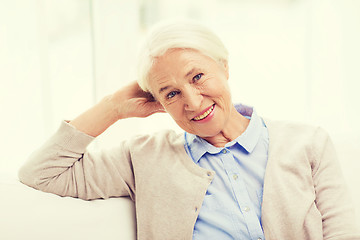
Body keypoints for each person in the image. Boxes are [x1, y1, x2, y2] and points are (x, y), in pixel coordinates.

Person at [19, 20, 359, 240]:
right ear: (157, 103)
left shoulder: (309, 142)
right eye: (171, 94)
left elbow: (343, 232)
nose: (193, 103)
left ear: (224, 66)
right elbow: (42, 173)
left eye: (197, 77)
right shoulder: (143, 158)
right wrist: (113, 107)